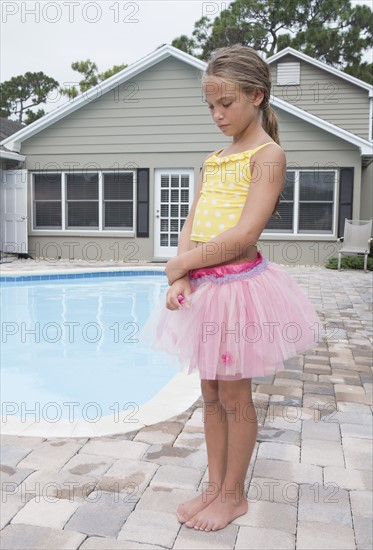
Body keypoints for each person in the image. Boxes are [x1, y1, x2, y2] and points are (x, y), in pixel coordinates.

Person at [142, 45, 321, 532]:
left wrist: (181, 263)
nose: (217, 114)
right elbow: (192, 220)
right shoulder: (215, 159)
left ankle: (234, 495)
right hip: (203, 289)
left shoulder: (268, 155)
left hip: (237, 292)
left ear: (256, 96)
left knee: (235, 396)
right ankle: (214, 486)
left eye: (226, 103)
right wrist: (180, 273)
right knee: (209, 392)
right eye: (210, 105)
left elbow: (244, 235)